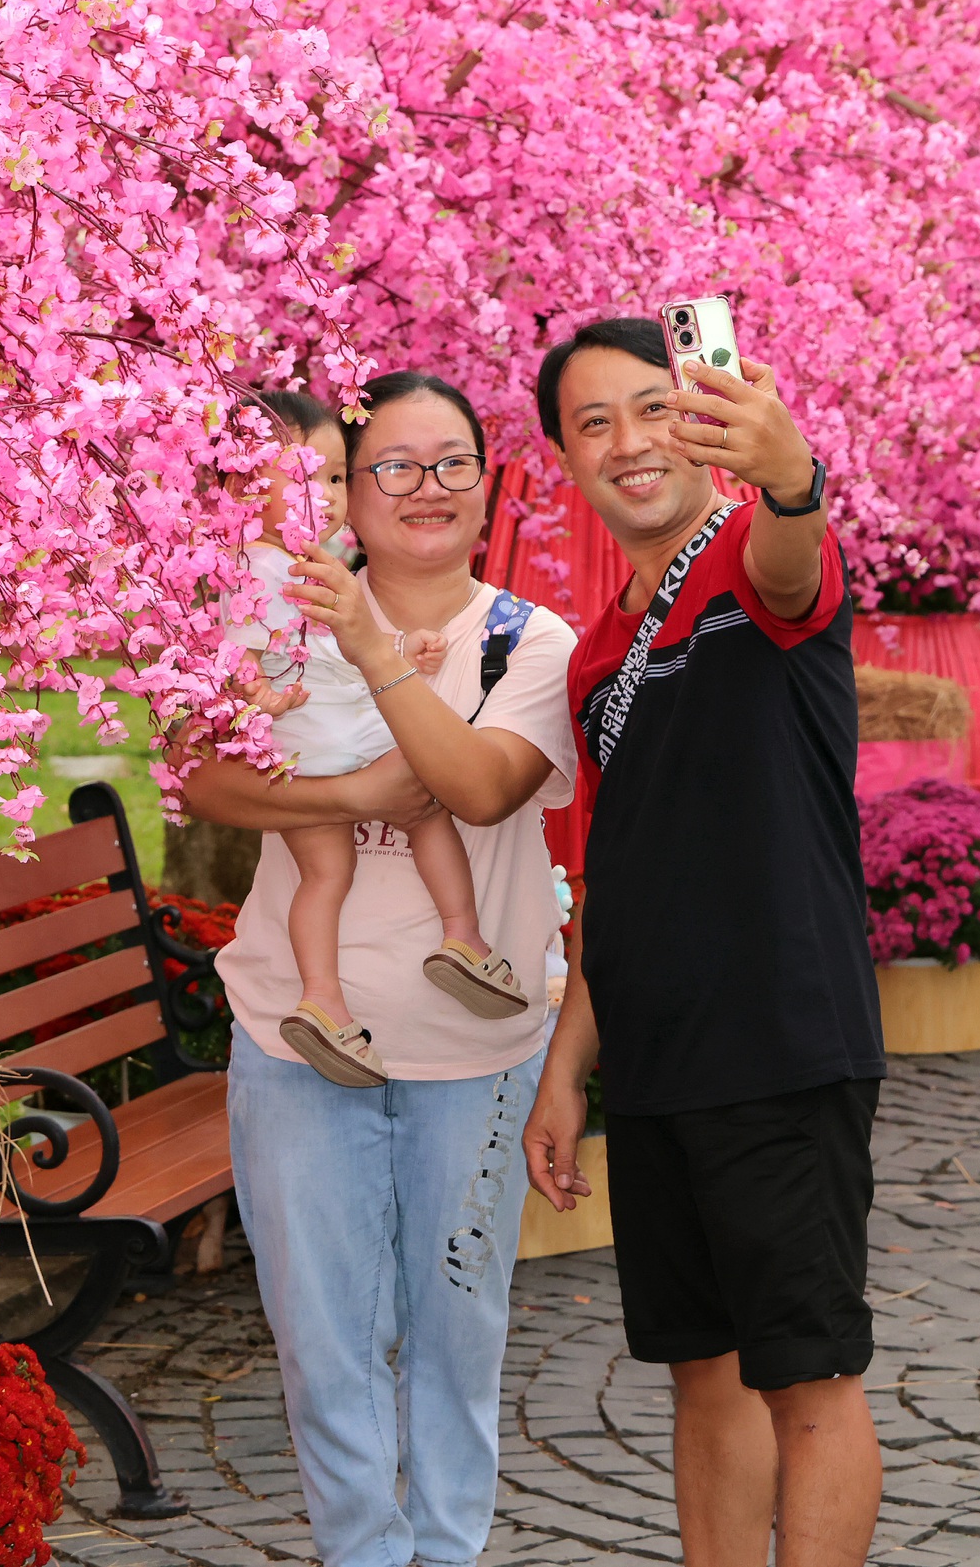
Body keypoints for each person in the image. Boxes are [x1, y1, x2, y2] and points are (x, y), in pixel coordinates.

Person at [181, 370, 580, 1567]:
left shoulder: (528, 641)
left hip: (476, 1057)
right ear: (343, 493)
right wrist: (354, 791)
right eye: (392, 465)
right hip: (296, 1050)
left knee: (459, 1332)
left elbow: (476, 786)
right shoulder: (264, 613)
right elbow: (201, 774)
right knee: (323, 1340)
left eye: (452, 461)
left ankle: (447, 1550)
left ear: (489, 483)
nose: (425, 488)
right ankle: (362, 1551)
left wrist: (369, 649)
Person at [521, 317, 884, 1567]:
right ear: (564, 459)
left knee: (809, 1376)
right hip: (660, 1056)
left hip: (782, 1037)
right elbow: (607, 871)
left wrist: (791, 477)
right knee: (701, 1373)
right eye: (591, 423)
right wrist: (570, 1063)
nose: (628, 443)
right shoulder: (597, 652)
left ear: (696, 419)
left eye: (649, 408)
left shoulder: (747, 561)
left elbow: (794, 560)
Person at [224, 390, 527, 1089]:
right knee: (425, 807)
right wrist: (257, 692)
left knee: (327, 874)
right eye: (302, 478)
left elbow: (340, 641)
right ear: (244, 484)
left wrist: (398, 646)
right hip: (335, 733)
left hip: (305, 752)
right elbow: (237, 640)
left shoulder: (300, 565)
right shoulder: (258, 567)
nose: (324, 497)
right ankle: (464, 936)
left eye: (334, 478)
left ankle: (322, 998)